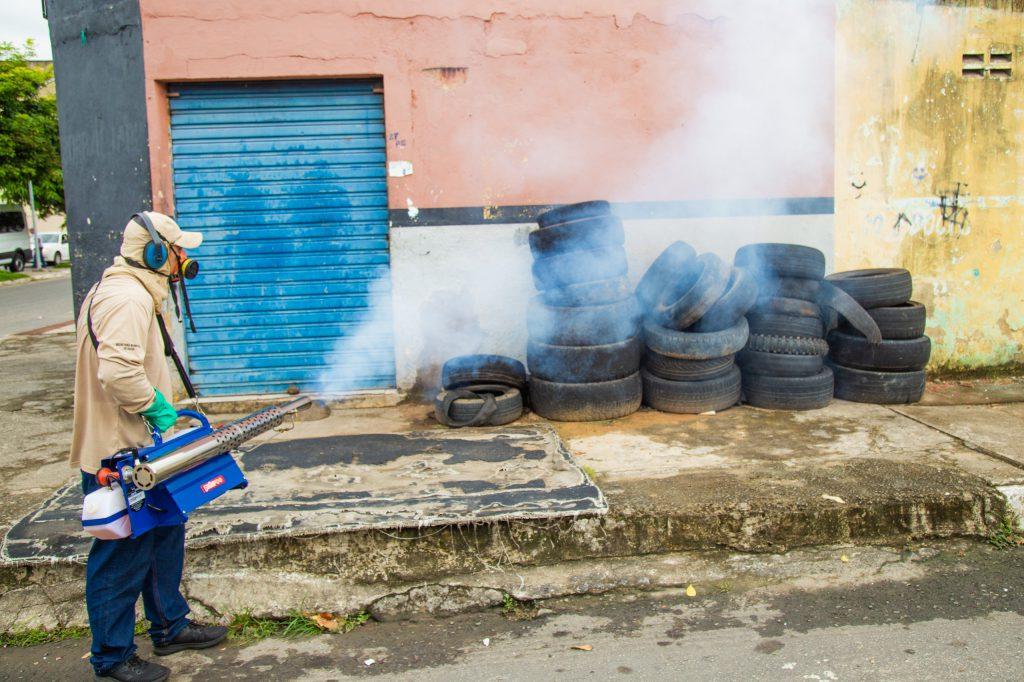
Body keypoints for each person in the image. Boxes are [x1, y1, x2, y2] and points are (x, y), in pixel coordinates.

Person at [70, 212, 226, 682]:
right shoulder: (126, 299)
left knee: (163, 536)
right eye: (179, 249)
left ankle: (170, 626)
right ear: (157, 252)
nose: (185, 258)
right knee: (122, 555)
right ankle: (112, 657)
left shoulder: (137, 292)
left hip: (146, 449)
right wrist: (158, 408)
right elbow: (117, 374)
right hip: (121, 453)